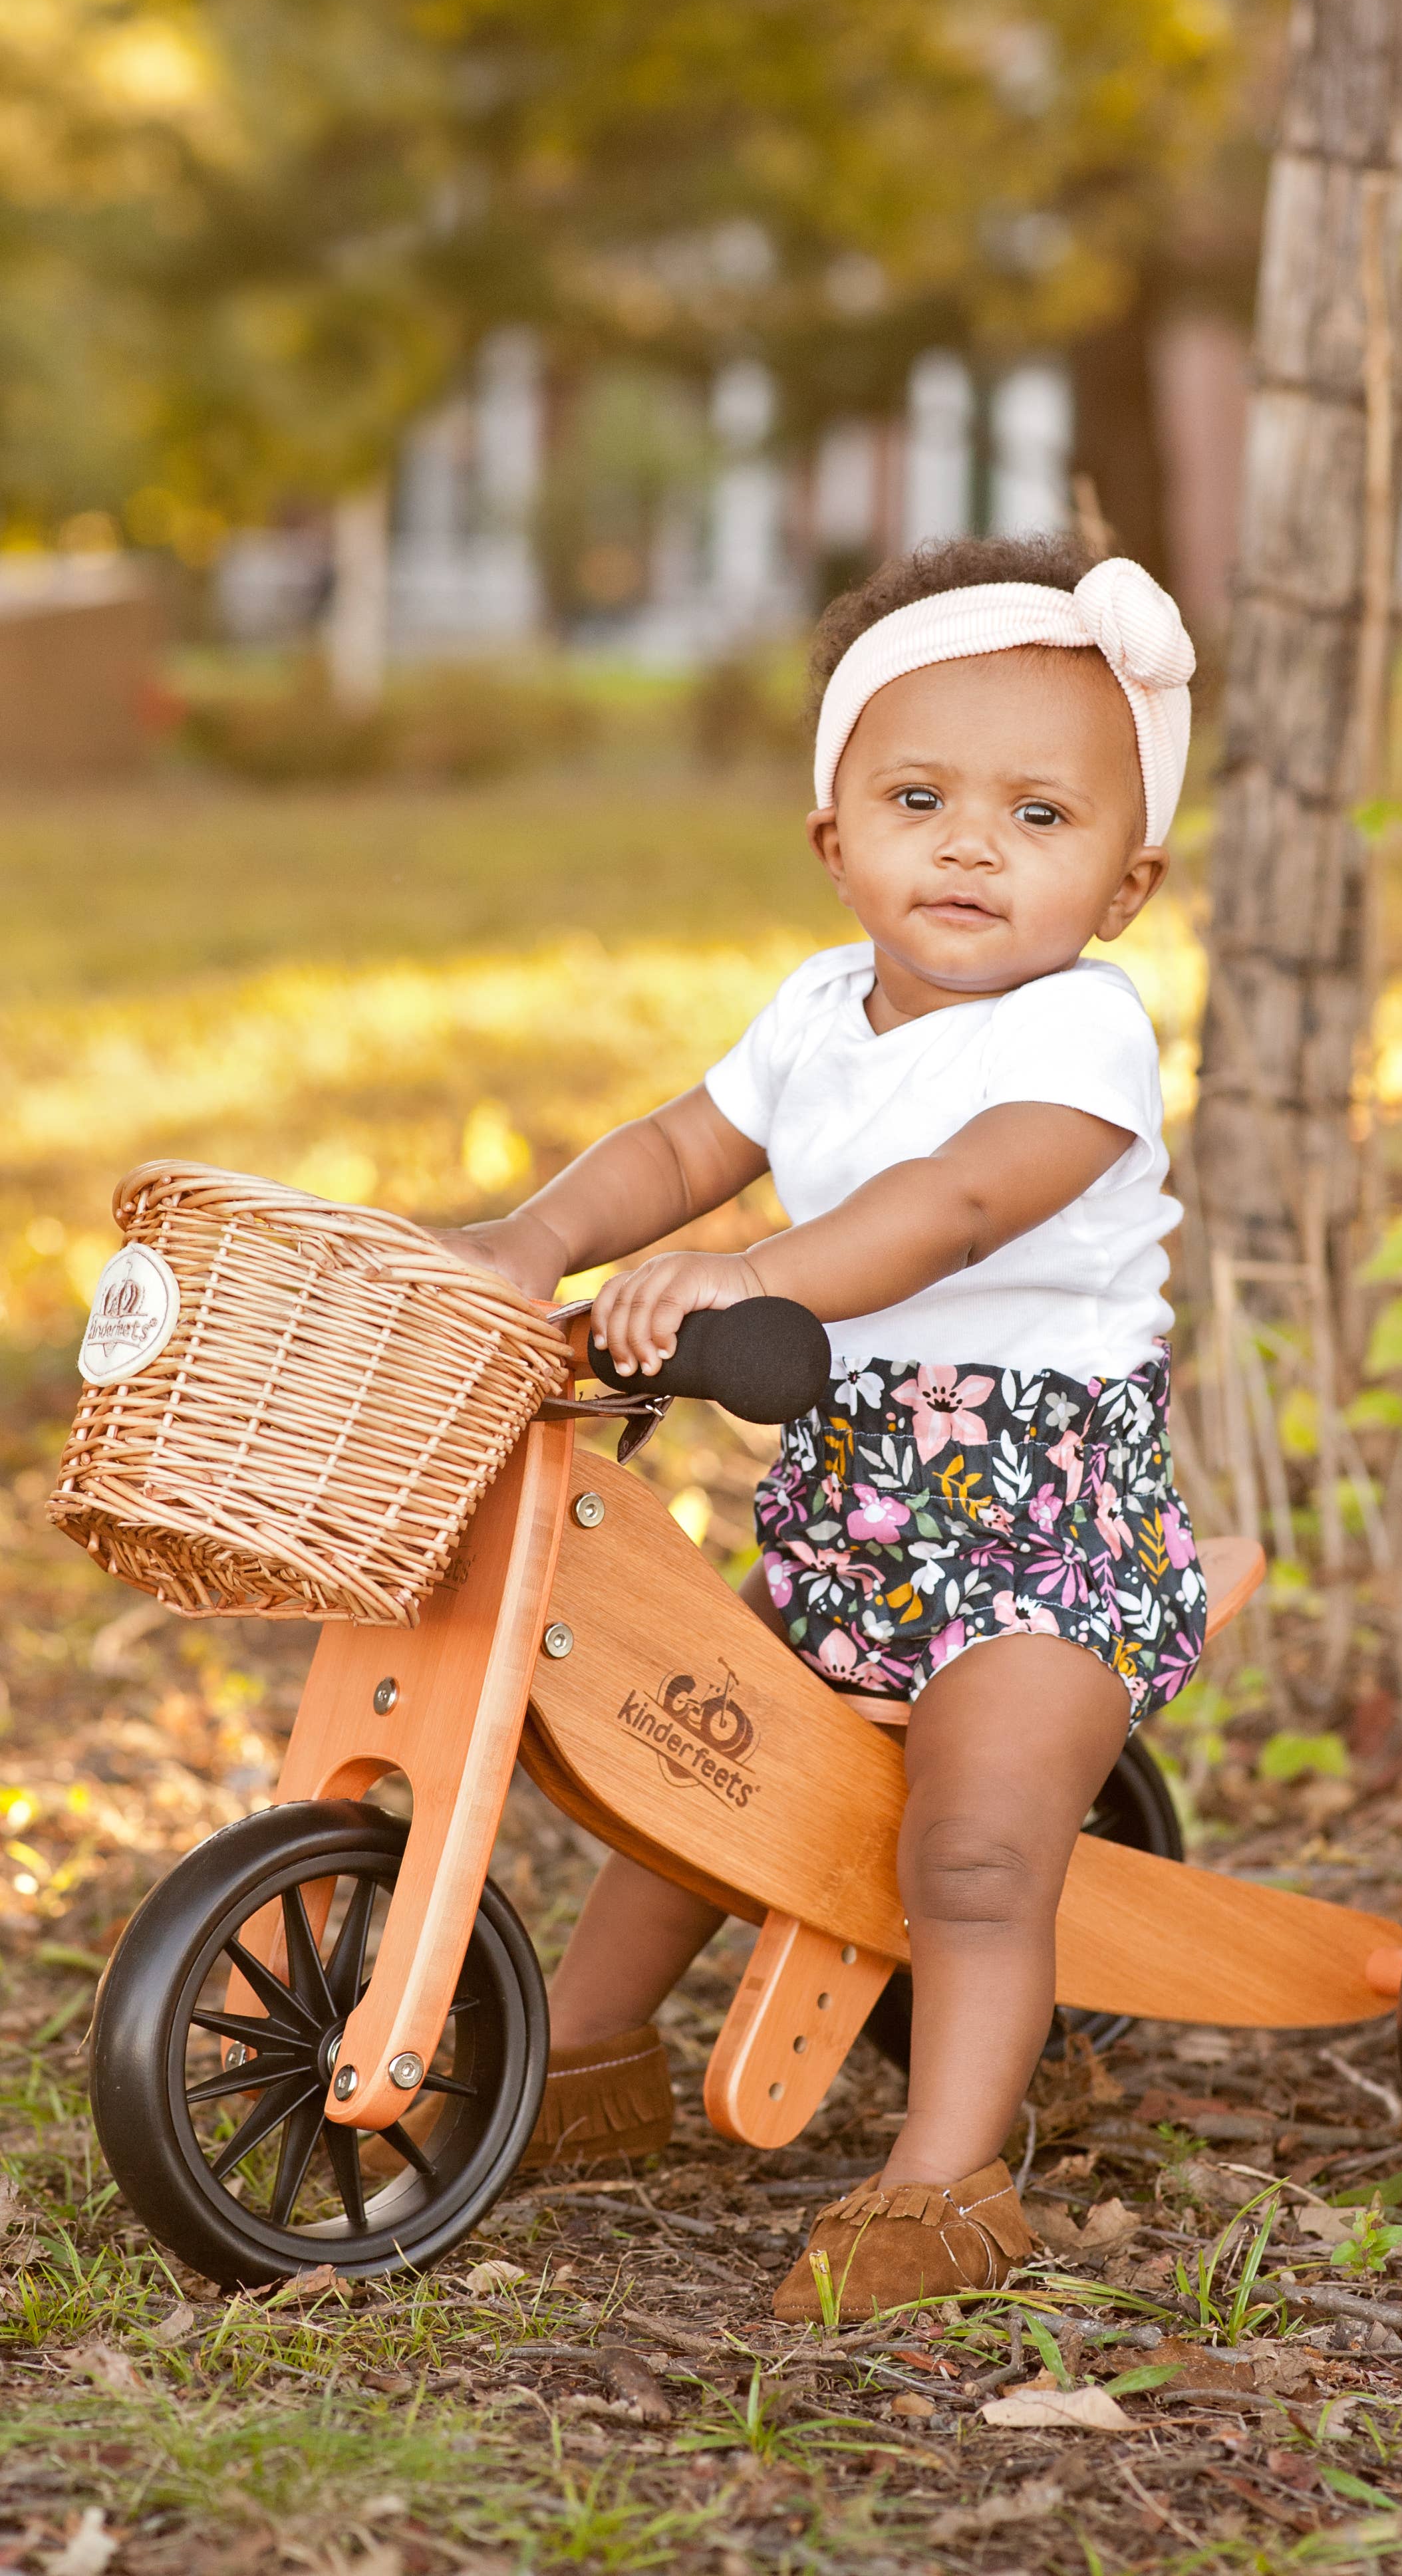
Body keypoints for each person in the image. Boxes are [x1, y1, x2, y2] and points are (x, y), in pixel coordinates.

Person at [437, 531, 1206, 2318]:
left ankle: (942, 2188)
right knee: (688, 1773)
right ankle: (582, 2065)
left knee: (980, 1845)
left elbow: (951, 1208)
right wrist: (540, 1239)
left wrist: (751, 1277)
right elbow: (674, 1147)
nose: (969, 845)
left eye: (1041, 818)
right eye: (923, 796)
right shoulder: (810, 1016)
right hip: (852, 1520)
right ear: (834, 835)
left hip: (1048, 1538)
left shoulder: (1083, 1036)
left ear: (1125, 881)